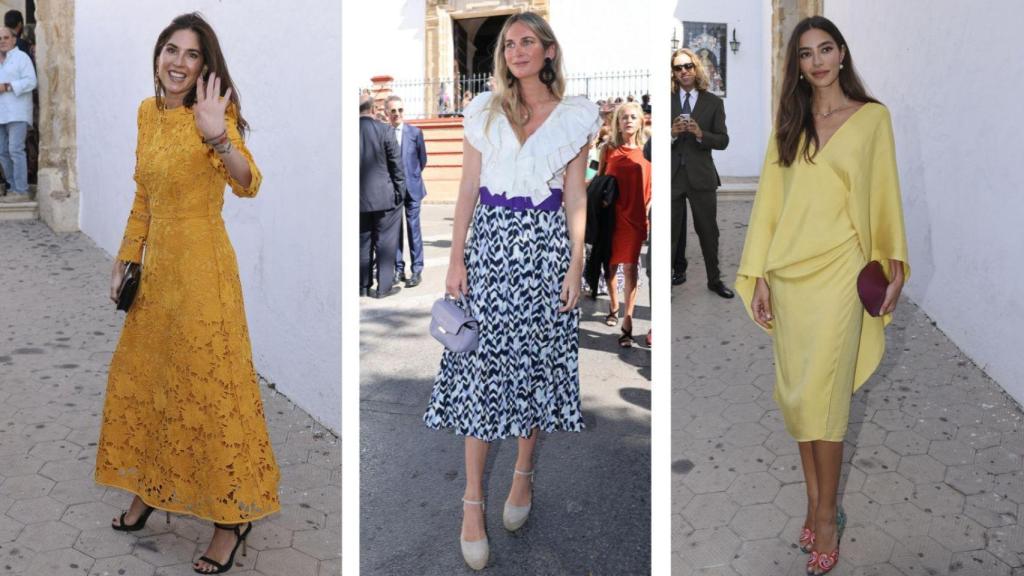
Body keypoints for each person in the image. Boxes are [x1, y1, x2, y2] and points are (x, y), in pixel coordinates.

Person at [96, 13, 279, 574]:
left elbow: (248, 183)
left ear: (206, 65)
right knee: (152, 381)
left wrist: (217, 135)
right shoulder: (147, 114)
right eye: (169, 50)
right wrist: (127, 257)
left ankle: (230, 519)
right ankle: (151, 487)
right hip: (158, 279)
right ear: (158, 56)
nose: (177, 61)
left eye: (191, 54)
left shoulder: (214, 116)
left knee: (208, 387)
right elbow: (143, 197)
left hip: (204, 275)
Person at [422, 12, 599, 571]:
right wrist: (455, 261)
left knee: (534, 369)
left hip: (546, 252)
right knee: (480, 375)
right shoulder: (483, 110)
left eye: (528, 42)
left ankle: (522, 475)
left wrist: (575, 265)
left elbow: (575, 196)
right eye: (509, 43)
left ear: (549, 52)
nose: (517, 50)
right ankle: (472, 501)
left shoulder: (574, 117)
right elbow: (469, 187)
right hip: (492, 249)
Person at [735, 16, 908, 575]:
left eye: (826, 49)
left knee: (827, 401)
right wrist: (760, 273)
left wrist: (894, 264)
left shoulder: (872, 119)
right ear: (798, 67)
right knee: (798, 397)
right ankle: (813, 500)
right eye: (806, 54)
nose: (818, 61)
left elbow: (885, 196)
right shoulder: (791, 123)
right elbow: (770, 204)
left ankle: (827, 517)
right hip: (789, 276)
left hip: (840, 272)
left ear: (841, 52)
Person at [670, 47, 732, 298]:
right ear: (673, 73)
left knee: (708, 230)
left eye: (688, 66)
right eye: (678, 67)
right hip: (672, 177)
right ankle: (671, 276)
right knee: (670, 233)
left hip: (702, 175)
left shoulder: (713, 102)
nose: (684, 71)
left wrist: (699, 134)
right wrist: (671, 133)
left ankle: (714, 279)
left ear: (696, 68)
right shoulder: (667, 100)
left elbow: (723, 140)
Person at [601, 101, 650, 348]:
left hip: (635, 218)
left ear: (641, 121)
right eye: (623, 118)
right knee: (610, 268)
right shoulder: (608, 149)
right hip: (611, 218)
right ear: (617, 123)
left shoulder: (648, 151)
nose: (628, 121)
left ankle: (628, 322)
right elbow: (598, 181)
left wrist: (648, 212)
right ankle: (613, 305)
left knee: (631, 269)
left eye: (633, 117)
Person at [360, 92, 405, 298]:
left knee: (363, 242)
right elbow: (396, 165)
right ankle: (384, 287)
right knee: (386, 242)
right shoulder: (385, 130)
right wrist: (400, 192)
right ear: (373, 110)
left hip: (359, 199)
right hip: (385, 197)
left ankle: (362, 285)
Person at [385, 95, 427, 288]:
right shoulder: (384, 133)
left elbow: (422, 159)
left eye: (400, 110)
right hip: (392, 191)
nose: (397, 114)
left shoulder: (415, 133)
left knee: (413, 229)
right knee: (395, 231)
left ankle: (417, 269)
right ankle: (398, 269)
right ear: (387, 113)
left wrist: (413, 177)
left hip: (413, 189)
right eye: (393, 111)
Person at [0, 25, 35, 203]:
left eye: (6, 37)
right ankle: (12, 187)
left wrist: (7, 86)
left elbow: (31, 81)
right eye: (0, 39)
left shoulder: (22, 58)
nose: (2, 41)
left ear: (14, 39)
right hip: (1, 114)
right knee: (2, 152)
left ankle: (21, 190)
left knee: (15, 150)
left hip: (17, 113)